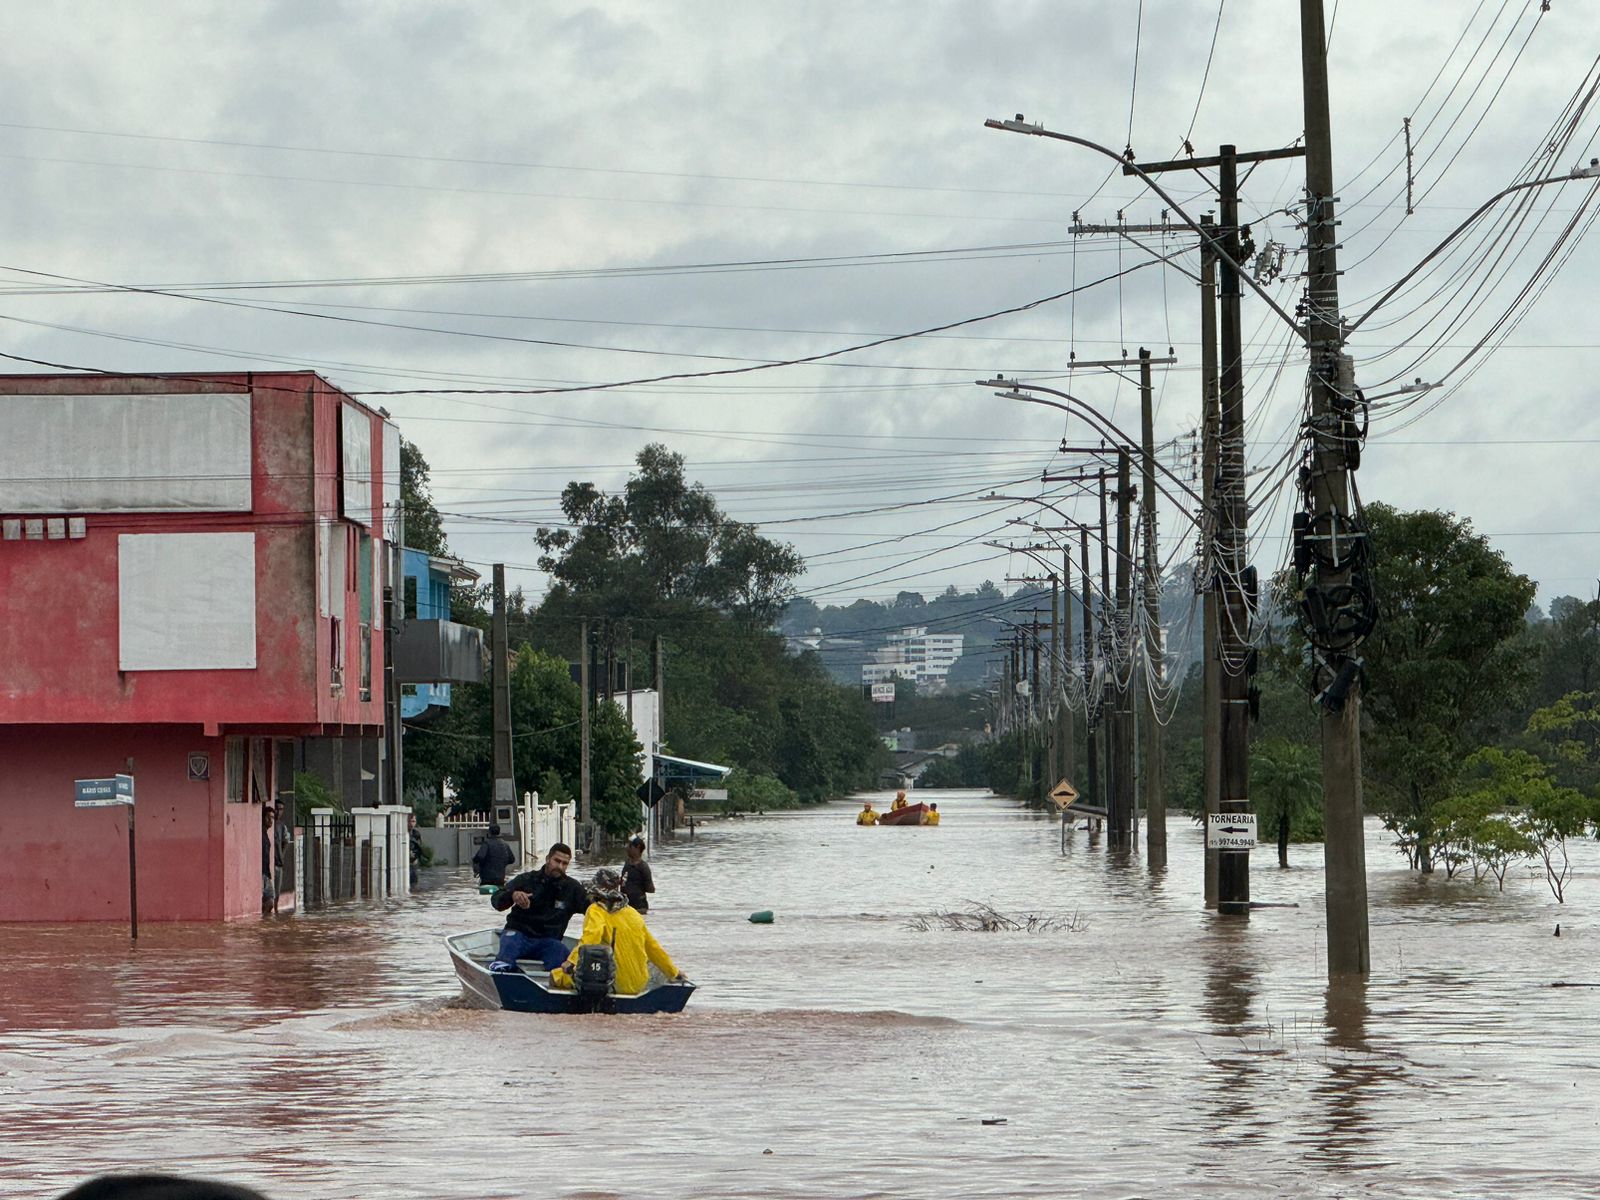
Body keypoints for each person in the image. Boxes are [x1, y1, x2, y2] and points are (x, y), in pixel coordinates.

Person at [551, 868, 686, 995]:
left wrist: (571, 962)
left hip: (613, 984)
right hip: (639, 984)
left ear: (597, 891)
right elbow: (653, 948)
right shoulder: (633, 914)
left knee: (556, 976)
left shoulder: (596, 910)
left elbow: (590, 939)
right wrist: (674, 973)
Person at [488, 843, 587, 972]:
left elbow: (593, 910)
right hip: (518, 935)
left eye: (564, 863)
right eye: (557, 861)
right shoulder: (526, 879)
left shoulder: (573, 888)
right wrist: (513, 895)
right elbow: (496, 900)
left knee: (560, 955)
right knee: (508, 944)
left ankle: (552, 985)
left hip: (549, 941)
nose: (560, 866)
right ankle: (502, 971)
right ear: (547, 859)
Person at [620, 835, 655, 913]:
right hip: (625, 906)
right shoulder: (627, 863)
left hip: (639, 907)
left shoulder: (643, 867)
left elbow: (651, 889)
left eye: (630, 846)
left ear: (638, 847)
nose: (627, 848)